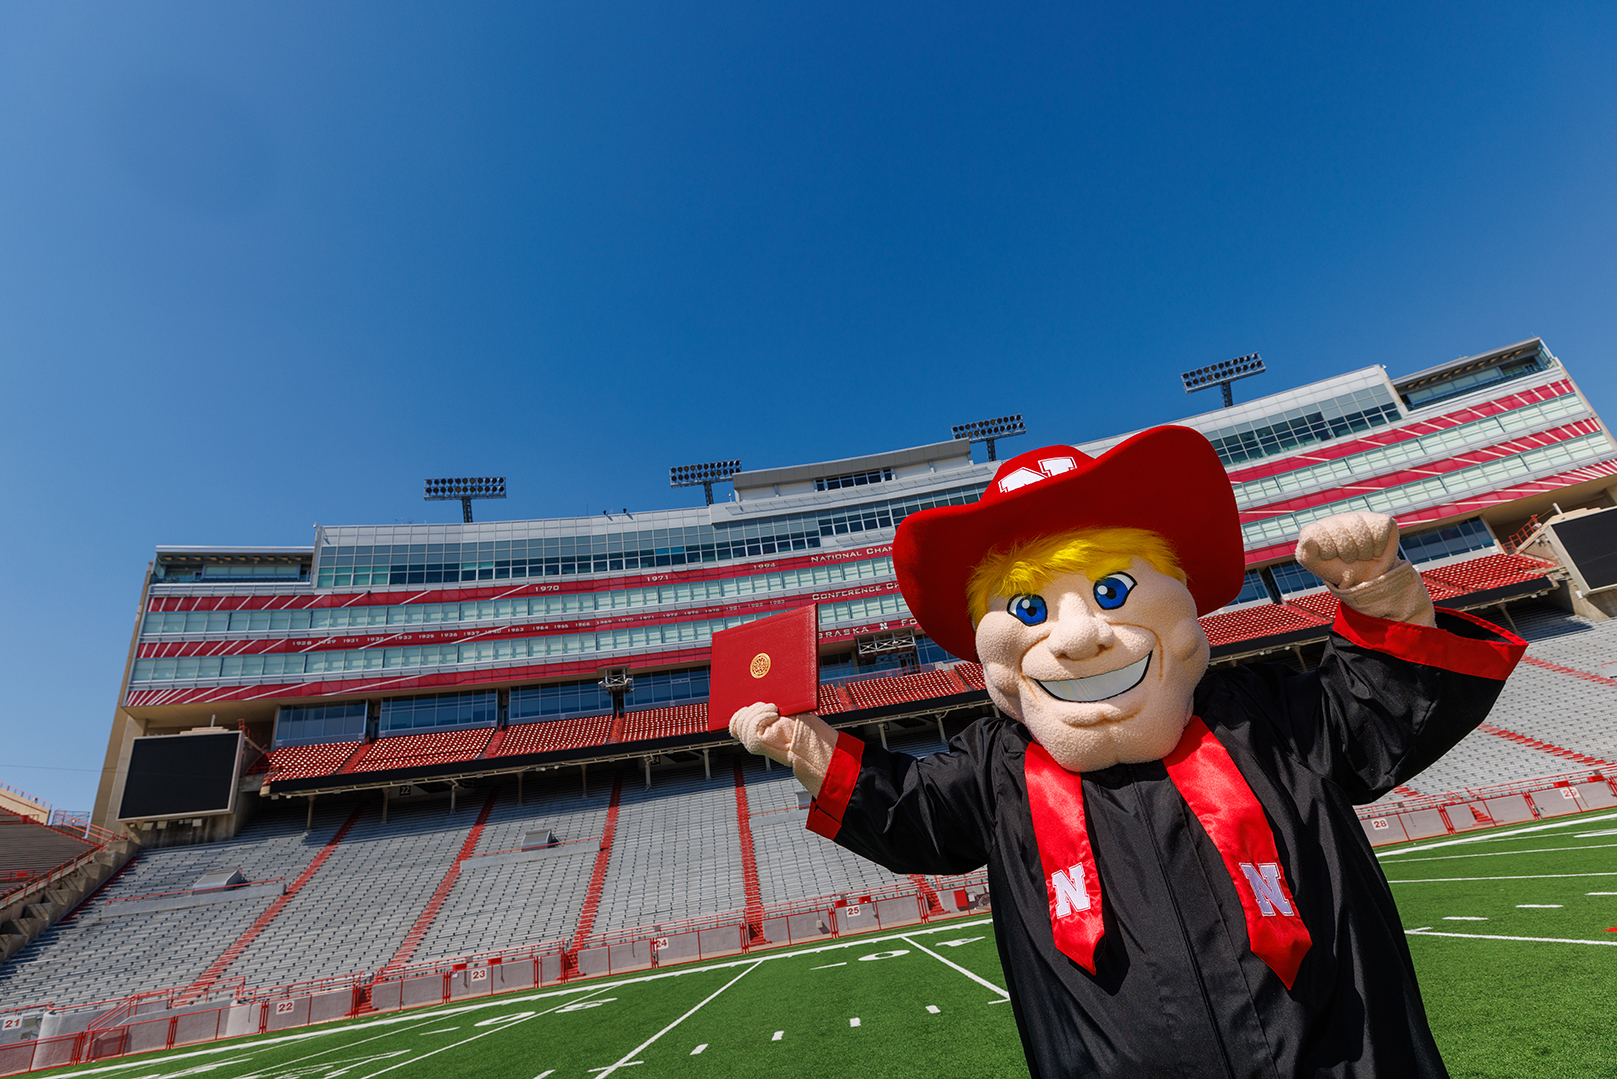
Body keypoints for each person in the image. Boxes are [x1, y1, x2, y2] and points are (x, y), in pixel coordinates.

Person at [730, 425, 1525, 1078]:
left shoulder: (1262, 714)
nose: (1075, 637)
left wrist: (1377, 591)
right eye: (1032, 608)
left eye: (1111, 591)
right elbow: (911, 812)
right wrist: (804, 743)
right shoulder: (998, 764)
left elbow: (1382, 717)